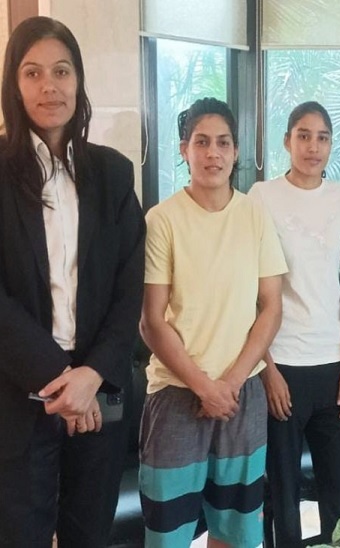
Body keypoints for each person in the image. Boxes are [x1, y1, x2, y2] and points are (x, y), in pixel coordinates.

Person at [0, 16, 145, 547]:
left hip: (98, 394)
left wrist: (92, 375)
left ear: (78, 80)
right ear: (14, 85)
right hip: (18, 394)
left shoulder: (113, 173)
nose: (49, 86)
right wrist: (61, 378)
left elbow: (129, 288)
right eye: (33, 73)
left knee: (90, 533)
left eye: (61, 71)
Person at [139, 97, 287, 548]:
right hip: (177, 394)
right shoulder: (162, 220)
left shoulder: (254, 214)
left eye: (223, 143)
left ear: (236, 151)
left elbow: (271, 307)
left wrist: (231, 383)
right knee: (168, 533)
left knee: (236, 531)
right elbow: (151, 322)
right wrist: (205, 387)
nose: (213, 153)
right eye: (201, 142)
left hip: (244, 393)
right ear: (184, 149)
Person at [248, 101, 340, 546]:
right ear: (287, 141)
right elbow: (252, 291)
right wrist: (267, 369)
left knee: (339, 497)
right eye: (303, 135)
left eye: (323, 138)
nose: (313, 147)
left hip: (335, 366)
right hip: (283, 367)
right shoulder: (262, 197)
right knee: (283, 494)